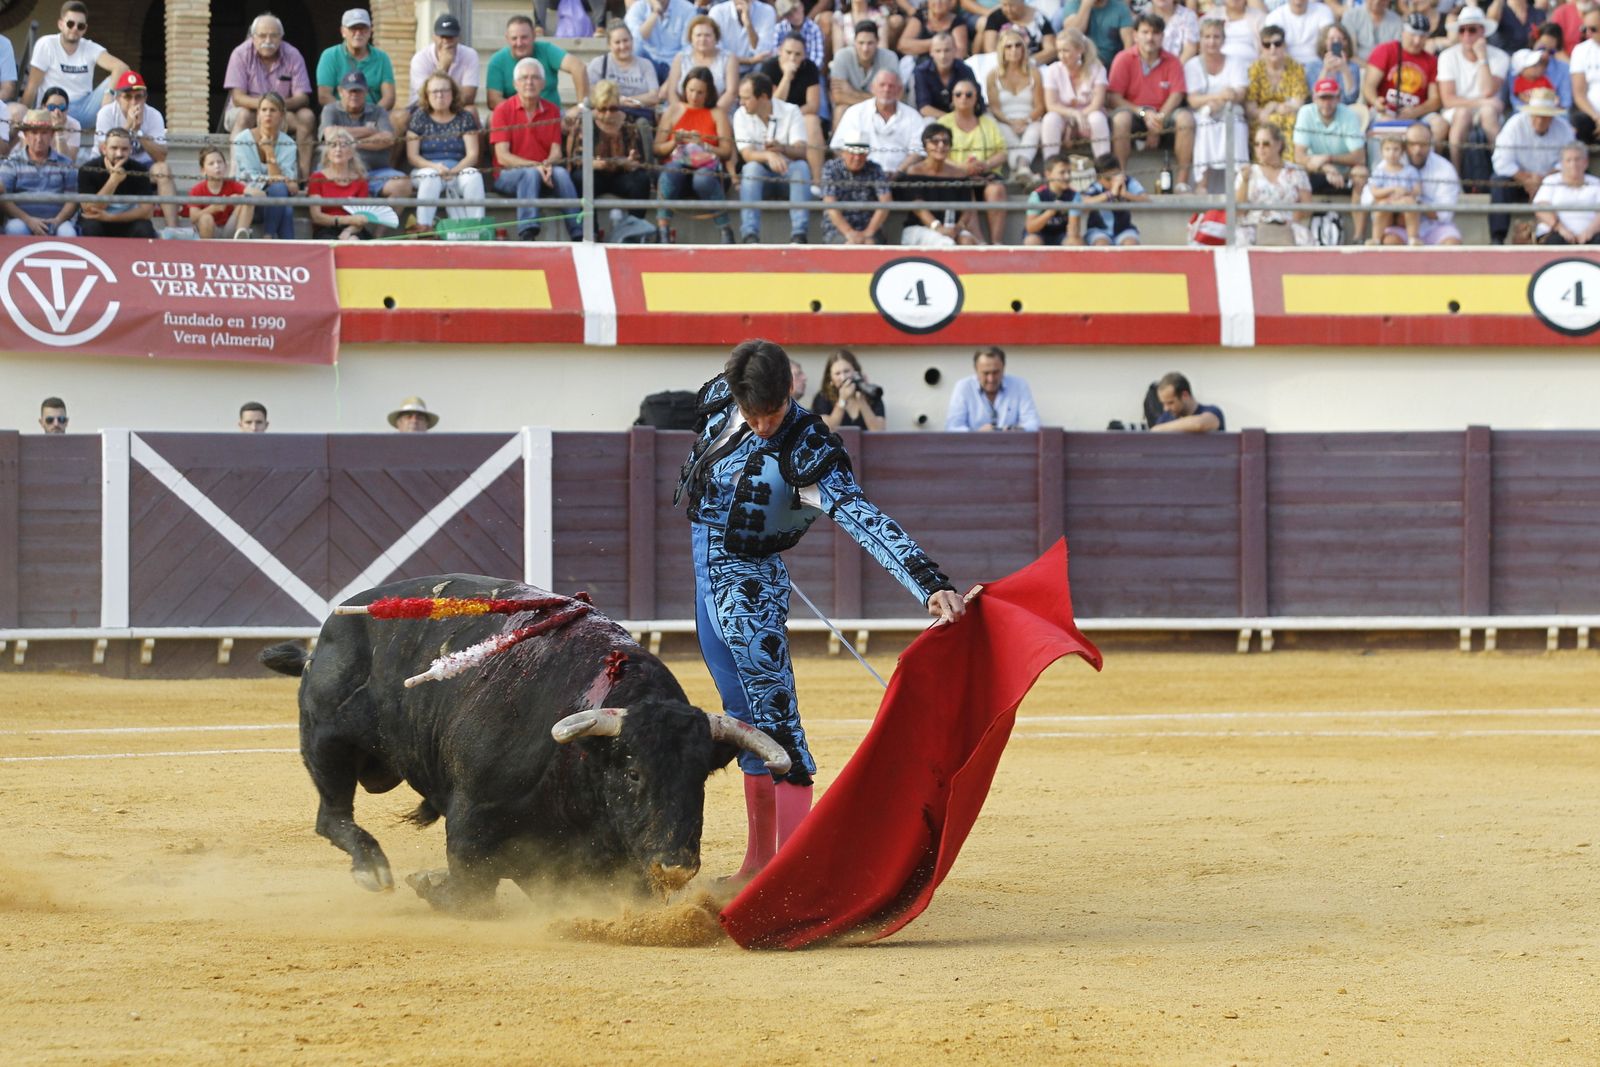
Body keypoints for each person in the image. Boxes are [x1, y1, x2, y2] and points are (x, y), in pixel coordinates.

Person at [678, 338, 964, 880]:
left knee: (778, 725)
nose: (764, 425)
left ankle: (796, 874)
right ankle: (759, 864)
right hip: (705, 579)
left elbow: (863, 518)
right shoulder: (721, 399)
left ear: (790, 391)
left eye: (773, 412)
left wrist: (928, 582)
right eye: (753, 414)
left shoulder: (806, 446)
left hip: (749, 589)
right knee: (742, 720)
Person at [490, 59, 583, 242]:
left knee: (561, 173)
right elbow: (502, 157)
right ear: (515, 84)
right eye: (524, 78)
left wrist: (546, 165)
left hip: (543, 172)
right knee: (530, 174)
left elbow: (556, 151)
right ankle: (527, 231)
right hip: (507, 175)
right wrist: (536, 166)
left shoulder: (552, 110)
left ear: (543, 83)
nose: (529, 82)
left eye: (535, 78)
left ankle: (579, 231)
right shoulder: (502, 110)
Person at [223, 14, 317, 178]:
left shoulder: (293, 54)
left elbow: (302, 97)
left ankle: (303, 177)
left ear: (281, 37)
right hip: (246, 110)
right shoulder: (240, 53)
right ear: (253, 37)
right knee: (245, 115)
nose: (268, 40)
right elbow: (238, 98)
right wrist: (266, 106)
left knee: (307, 116)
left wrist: (275, 108)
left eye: (273, 35)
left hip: (281, 111)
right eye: (262, 35)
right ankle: (235, 172)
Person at [1108, 13, 1195, 186]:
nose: (1150, 37)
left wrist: (1157, 121)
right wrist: (1143, 113)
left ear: (1162, 36)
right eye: (1145, 32)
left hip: (1164, 114)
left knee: (1186, 119)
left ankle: (1182, 182)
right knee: (1120, 119)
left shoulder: (1173, 61)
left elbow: (1177, 95)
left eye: (1155, 33)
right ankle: (1120, 180)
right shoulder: (1123, 58)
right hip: (1135, 112)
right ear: (1135, 35)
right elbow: (1113, 97)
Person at [655, 66, 736, 242]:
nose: (694, 96)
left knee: (702, 178)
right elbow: (657, 149)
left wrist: (703, 144)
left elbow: (726, 152)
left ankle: (726, 231)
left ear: (708, 93)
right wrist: (674, 142)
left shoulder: (717, 113)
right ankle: (663, 231)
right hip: (677, 169)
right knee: (672, 170)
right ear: (684, 88)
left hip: (708, 171)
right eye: (691, 90)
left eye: (700, 92)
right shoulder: (673, 110)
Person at [18, 2, 126, 131]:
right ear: (60, 24)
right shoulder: (46, 44)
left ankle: (116, 136)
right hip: (52, 110)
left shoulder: (90, 47)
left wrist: (109, 93)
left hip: (84, 112)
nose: (75, 28)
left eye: (80, 26)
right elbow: (32, 86)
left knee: (120, 80)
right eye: (70, 24)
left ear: (85, 29)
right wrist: (22, 120)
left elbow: (122, 67)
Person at [733, 72, 814, 243]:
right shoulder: (740, 114)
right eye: (741, 98)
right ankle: (749, 235)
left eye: (746, 98)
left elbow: (801, 151)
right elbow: (747, 154)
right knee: (751, 169)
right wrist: (769, 155)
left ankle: (799, 235)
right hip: (760, 178)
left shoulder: (791, 111)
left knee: (801, 167)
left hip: (787, 175)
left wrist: (782, 148)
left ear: (763, 97)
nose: (741, 103)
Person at [91, 70, 176, 229]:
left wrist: (138, 133)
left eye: (138, 97)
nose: (133, 102)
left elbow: (161, 157)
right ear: (117, 98)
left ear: (145, 97)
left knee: (163, 169)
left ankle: (173, 229)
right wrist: (128, 126)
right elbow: (106, 153)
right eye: (128, 97)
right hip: (109, 166)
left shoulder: (154, 115)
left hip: (142, 168)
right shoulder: (106, 113)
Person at [406, 72, 486, 238]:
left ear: (453, 93)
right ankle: (424, 228)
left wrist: (454, 171)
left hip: (458, 169)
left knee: (473, 175)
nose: (440, 95)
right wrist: (436, 167)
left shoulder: (464, 117)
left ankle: (476, 228)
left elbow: (472, 154)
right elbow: (412, 156)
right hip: (426, 169)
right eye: (434, 91)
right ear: (427, 95)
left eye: (444, 90)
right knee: (431, 176)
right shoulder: (419, 117)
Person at [1491, 88, 1573, 242]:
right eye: (1536, 115)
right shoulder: (1514, 125)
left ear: (1552, 117)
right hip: (1519, 181)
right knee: (1499, 181)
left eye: (1544, 117)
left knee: (1575, 176)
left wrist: (1544, 179)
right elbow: (1501, 160)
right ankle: (1497, 237)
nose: (1540, 121)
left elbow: (1569, 160)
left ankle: (1570, 230)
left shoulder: (1564, 129)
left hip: (1552, 181)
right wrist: (1526, 179)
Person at [317, 70, 413, 202]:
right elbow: (330, 135)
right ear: (340, 91)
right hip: (339, 172)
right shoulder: (330, 109)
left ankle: (384, 217)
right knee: (321, 183)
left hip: (376, 172)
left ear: (366, 91)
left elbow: (388, 139)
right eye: (350, 91)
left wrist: (353, 143)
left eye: (358, 91)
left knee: (403, 185)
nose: (354, 95)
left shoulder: (378, 111)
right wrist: (369, 131)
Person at [568, 79, 652, 226]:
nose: (608, 114)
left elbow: (638, 159)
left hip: (622, 174)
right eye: (602, 109)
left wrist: (631, 163)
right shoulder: (585, 121)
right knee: (580, 178)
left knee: (641, 180)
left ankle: (634, 228)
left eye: (613, 109)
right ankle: (591, 230)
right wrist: (592, 163)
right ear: (596, 107)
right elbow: (575, 158)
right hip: (595, 175)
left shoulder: (629, 121)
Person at [1438, 6, 1510, 172]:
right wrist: (1483, 102)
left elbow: (1487, 90)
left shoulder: (1500, 56)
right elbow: (1448, 100)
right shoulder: (1447, 56)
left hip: (1486, 110)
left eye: (1472, 30)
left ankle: (1501, 170)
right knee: (1464, 114)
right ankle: (1455, 174)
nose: (1466, 35)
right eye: (1462, 30)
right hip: (1459, 110)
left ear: (1482, 31)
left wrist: (1482, 58)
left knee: (1488, 113)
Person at [939, 79, 1012, 241]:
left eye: (968, 94)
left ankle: (997, 243)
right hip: (956, 176)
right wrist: (961, 168)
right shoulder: (943, 123)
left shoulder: (988, 123)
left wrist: (986, 164)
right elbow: (937, 156)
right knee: (966, 190)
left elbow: (1002, 152)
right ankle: (980, 243)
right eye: (958, 94)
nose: (963, 98)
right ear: (952, 98)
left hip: (986, 174)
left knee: (996, 190)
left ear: (976, 97)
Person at [1294, 76, 1369, 233]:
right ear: (1315, 98)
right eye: (1323, 98)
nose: (1326, 103)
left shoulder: (1348, 115)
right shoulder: (1305, 112)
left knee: (1361, 173)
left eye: (1331, 98)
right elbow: (1299, 157)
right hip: (1316, 170)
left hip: (1344, 173)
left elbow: (1360, 157)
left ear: (1339, 98)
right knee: (1297, 172)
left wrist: (1328, 158)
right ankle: (1299, 230)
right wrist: (1326, 167)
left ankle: (1359, 236)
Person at [1185, 17, 1249, 188]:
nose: (1212, 41)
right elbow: (1193, 100)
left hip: (1229, 110)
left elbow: (1240, 92)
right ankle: (1202, 185)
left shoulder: (1235, 62)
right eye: (1207, 37)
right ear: (1201, 39)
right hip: (1203, 113)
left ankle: (1239, 185)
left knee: (1236, 123)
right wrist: (1218, 97)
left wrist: (1224, 99)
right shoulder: (1192, 65)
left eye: (1216, 37)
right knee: (1204, 124)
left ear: (1223, 39)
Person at [899, 122, 985, 243]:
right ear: (925, 145)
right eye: (935, 141)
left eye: (946, 142)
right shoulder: (914, 171)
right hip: (919, 228)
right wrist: (938, 227)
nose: (941, 145)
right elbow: (918, 207)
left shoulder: (959, 174)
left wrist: (958, 227)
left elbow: (967, 209)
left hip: (952, 228)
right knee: (945, 242)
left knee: (967, 241)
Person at [230, 90, 299, 240]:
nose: (268, 114)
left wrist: (270, 153)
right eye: (264, 110)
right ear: (258, 114)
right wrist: (279, 179)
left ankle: (268, 236)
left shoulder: (288, 144)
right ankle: (274, 240)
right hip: (250, 202)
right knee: (283, 200)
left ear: (281, 115)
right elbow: (247, 178)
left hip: (276, 201)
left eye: (273, 110)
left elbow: (289, 183)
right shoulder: (242, 140)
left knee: (282, 198)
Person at [486, 15, 589, 112]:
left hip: (552, 116)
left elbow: (578, 67)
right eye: (514, 38)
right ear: (507, 38)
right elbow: (493, 100)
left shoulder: (546, 50)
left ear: (534, 36)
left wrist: (581, 106)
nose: (519, 43)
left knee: (580, 119)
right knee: (492, 119)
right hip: (514, 117)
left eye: (524, 37)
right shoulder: (498, 60)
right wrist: (525, 114)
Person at [1362, 12, 1445, 134]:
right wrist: (1376, 101)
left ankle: (1426, 146)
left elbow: (1435, 99)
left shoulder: (1432, 61)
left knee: (1440, 124)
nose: (1417, 41)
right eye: (1413, 34)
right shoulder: (1385, 50)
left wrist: (1416, 112)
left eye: (1422, 36)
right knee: (1387, 122)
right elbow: (1369, 86)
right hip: (1385, 110)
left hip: (1417, 113)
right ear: (1403, 32)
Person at [829, 69, 925, 174]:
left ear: (900, 90)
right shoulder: (855, 112)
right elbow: (839, 147)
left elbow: (918, 152)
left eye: (891, 86)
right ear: (872, 88)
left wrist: (898, 172)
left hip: (901, 176)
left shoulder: (913, 116)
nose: (886, 89)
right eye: (882, 85)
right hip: (861, 175)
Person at [1, 110, 78, 236]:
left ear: (52, 134)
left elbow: (73, 199)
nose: (39, 138)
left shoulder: (66, 163)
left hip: (58, 221)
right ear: (26, 135)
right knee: (15, 229)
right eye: (34, 132)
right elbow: (5, 199)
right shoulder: (11, 163)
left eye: (44, 133)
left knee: (68, 233)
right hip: (22, 221)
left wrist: (58, 220)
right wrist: (28, 220)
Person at [1384, 120, 1463, 244]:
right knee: (1390, 242)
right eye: (1412, 144)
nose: (1417, 150)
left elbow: (1444, 214)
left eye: (1423, 144)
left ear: (1431, 144)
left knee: (1452, 243)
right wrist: (1395, 209)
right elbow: (1368, 200)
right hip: (1401, 225)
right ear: (1405, 144)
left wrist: (1414, 205)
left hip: (1435, 226)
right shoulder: (1389, 164)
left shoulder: (1445, 168)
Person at [760, 34, 826, 181]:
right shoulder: (769, 67)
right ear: (780, 51)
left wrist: (792, 116)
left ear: (804, 56)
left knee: (812, 121)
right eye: (788, 52)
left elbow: (813, 105)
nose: (792, 58)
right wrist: (787, 77)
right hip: (773, 118)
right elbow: (772, 105)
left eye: (798, 54)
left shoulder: (809, 68)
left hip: (800, 117)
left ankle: (817, 182)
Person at [988, 27, 1048, 180]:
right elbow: (994, 108)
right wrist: (1011, 122)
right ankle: (1023, 168)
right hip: (1004, 120)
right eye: (1008, 46)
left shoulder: (1034, 73)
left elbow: (1040, 106)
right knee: (998, 127)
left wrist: (1025, 120)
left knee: (1037, 127)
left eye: (1017, 45)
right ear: (1002, 50)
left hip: (1029, 119)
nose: (1013, 50)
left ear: (1023, 49)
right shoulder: (992, 75)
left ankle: (1019, 167)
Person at [1238, 121, 1312, 244]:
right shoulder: (1248, 171)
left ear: (1278, 145)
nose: (1260, 148)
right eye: (1256, 144)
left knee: (1304, 238)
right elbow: (1239, 211)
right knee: (1240, 238)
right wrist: (1245, 181)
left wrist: (1294, 219)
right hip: (1254, 225)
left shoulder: (1296, 171)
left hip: (1288, 225)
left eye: (1266, 144)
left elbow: (1307, 208)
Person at [1042, 26, 1111, 159]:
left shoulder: (1097, 69)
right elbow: (1051, 105)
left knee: (1097, 118)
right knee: (1050, 119)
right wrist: (1074, 115)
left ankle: (1104, 163)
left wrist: (1079, 117)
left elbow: (1097, 104)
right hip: (1064, 115)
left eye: (1066, 51)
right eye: (1059, 51)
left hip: (1089, 114)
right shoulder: (1053, 70)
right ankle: (1050, 163)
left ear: (1080, 50)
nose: (1061, 56)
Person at [77, 127, 154, 238]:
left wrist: (111, 218)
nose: (119, 154)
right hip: (97, 221)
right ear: (104, 149)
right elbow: (89, 209)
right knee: (91, 227)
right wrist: (113, 181)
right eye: (114, 148)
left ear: (130, 150)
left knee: (144, 228)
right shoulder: (88, 169)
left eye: (124, 149)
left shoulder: (139, 170)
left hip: (126, 221)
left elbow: (147, 212)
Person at [1247, 24, 1309, 161]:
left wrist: (1273, 106)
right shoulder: (1255, 69)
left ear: (1284, 45)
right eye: (1267, 45)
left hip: (1287, 116)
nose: (1272, 49)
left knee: (1291, 122)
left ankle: (1290, 168)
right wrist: (1268, 111)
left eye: (1277, 44)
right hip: (1261, 118)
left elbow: (1298, 103)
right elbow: (1250, 108)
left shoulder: (1295, 68)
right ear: (1261, 48)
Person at [405, 13, 480, 127]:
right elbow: (425, 97)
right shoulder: (420, 58)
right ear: (434, 37)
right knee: (400, 117)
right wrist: (443, 67)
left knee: (471, 111)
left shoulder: (470, 55)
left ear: (458, 38)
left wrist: (444, 101)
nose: (446, 41)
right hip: (422, 108)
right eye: (442, 36)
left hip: (457, 108)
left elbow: (469, 96)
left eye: (451, 37)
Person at [316, 9, 396, 112]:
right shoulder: (330, 56)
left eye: (363, 28)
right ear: (343, 32)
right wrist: (347, 115)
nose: (358, 33)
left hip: (374, 113)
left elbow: (389, 97)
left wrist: (372, 115)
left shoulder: (382, 57)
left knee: (400, 117)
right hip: (339, 113)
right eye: (353, 28)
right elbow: (324, 95)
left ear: (370, 31)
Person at [945, 346, 1040, 431]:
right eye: (986, 373)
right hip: (974, 445)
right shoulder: (963, 387)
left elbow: (1033, 424)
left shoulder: (1019, 385)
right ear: (976, 370)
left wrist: (1017, 430)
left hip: (1012, 443)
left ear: (1003, 368)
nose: (991, 379)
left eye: (995, 372)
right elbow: (953, 427)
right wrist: (977, 435)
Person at [308, 127, 376, 241]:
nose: (338, 149)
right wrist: (347, 220)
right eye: (333, 145)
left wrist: (348, 231)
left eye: (343, 145)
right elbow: (316, 216)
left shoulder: (360, 181)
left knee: (354, 240)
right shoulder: (317, 178)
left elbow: (362, 218)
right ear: (327, 153)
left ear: (351, 153)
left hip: (353, 229)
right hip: (326, 229)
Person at [589, 22, 663, 124]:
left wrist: (627, 101)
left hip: (639, 114)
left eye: (625, 40)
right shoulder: (599, 64)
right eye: (617, 42)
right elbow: (591, 94)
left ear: (632, 40)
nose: (623, 46)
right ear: (609, 45)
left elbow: (654, 97)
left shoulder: (646, 64)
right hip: (608, 113)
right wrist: (617, 102)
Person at [821, 138, 893, 242]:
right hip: (837, 230)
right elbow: (829, 203)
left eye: (861, 153)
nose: (857, 158)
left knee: (870, 244)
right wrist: (848, 232)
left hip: (870, 228)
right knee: (849, 246)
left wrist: (869, 232)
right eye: (852, 153)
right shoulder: (831, 168)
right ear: (843, 153)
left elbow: (885, 201)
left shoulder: (875, 169)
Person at [666, 14, 742, 110]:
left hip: (719, 112)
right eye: (698, 35)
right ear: (691, 38)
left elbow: (731, 93)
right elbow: (672, 92)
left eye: (707, 35)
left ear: (716, 38)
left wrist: (709, 115)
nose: (702, 39)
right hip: (684, 111)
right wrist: (680, 112)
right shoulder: (681, 58)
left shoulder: (729, 58)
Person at [1074, 149, 1147, 244]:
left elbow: (1146, 200)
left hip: (1124, 230)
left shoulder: (1128, 182)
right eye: (1108, 178)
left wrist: (1126, 195)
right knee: (1101, 244)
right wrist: (1110, 194)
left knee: (1130, 243)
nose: (1113, 181)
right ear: (1098, 178)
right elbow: (1083, 202)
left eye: (1116, 176)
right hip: (1098, 230)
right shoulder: (1094, 187)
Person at [184, 146, 257, 239]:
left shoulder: (232, 184)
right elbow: (193, 217)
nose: (217, 166)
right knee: (206, 218)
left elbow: (260, 195)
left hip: (231, 228)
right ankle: (207, 247)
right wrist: (213, 208)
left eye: (219, 162)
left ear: (225, 166)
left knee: (247, 200)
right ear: (203, 171)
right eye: (211, 163)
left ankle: (241, 237)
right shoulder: (197, 190)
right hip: (211, 229)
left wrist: (239, 197)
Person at [1533, 140, 1600, 242]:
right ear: (1562, 164)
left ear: (1585, 162)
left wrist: (1589, 232)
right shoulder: (1551, 181)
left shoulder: (1596, 183)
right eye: (1568, 160)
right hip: (1556, 232)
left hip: (1592, 235)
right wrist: (1561, 229)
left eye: (1577, 159)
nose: (1573, 164)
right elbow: (1541, 208)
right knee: (1555, 241)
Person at [1362, 130, 1422, 244]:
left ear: (1402, 151)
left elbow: (1417, 190)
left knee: (1410, 203)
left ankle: (1413, 238)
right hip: (1387, 203)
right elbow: (1375, 192)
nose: (1392, 153)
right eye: (1387, 149)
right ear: (1381, 152)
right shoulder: (1379, 172)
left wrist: (1405, 192)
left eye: (1396, 149)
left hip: (1403, 204)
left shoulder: (1410, 171)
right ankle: (1376, 239)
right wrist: (1392, 189)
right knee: (1382, 205)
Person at [832, 21, 901, 108]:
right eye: (861, 43)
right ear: (854, 42)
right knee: (841, 109)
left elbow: (896, 96)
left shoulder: (889, 57)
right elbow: (838, 97)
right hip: (853, 108)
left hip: (882, 110)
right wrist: (880, 98)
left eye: (870, 43)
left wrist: (852, 92)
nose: (865, 49)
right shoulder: (842, 56)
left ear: (878, 41)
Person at [813, 349, 887, 430]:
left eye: (846, 371)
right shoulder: (823, 397)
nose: (843, 377)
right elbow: (827, 430)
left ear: (856, 371)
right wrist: (842, 400)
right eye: (837, 373)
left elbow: (878, 431)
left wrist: (862, 400)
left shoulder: (873, 395)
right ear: (830, 378)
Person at [626, 0, 700, 80]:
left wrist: (675, 72)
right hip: (647, 61)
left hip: (673, 63)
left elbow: (688, 46)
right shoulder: (638, 7)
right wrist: (655, 13)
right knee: (636, 48)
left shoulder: (687, 9)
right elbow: (634, 39)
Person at [1056, 0, 1137, 70]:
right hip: (1081, 62)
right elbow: (1072, 36)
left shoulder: (1120, 7)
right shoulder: (1074, 4)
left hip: (1110, 65)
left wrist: (1122, 66)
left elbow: (1128, 44)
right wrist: (1086, 5)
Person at [915, 32, 977, 117]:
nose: (943, 56)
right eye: (938, 51)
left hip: (963, 116)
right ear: (931, 52)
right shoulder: (922, 72)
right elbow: (924, 108)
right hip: (933, 118)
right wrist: (951, 120)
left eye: (947, 50)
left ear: (955, 50)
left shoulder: (965, 70)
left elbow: (976, 99)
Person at [1024, 152, 1083, 243]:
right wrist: (1051, 212)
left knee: (1075, 242)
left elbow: (1073, 233)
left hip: (1062, 235)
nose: (1067, 176)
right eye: (1062, 172)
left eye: (1069, 172)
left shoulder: (1074, 195)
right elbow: (1031, 228)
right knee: (1031, 240)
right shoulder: (1037, 195)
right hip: (1039, 234)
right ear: (1048, 174)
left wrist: (1071, 211)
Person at [711, 0, 781, 72]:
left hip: (754, 70)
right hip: (725, 70)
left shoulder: (767, 11)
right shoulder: (717, 12)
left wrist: (748, 24)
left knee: (763, 66)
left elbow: (763, 54)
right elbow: (716, 54)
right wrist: (750, 61)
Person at [1305, 22, 1364, 104]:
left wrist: (1345, 70)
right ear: (1324, 41)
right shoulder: (1313, 66)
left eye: (1340, 39)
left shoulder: (1353, 67)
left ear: (1345, 42)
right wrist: (1325, 70)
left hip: (1344, 107)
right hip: (1321, 107)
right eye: (1332, 39)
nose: (1336, 42)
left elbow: (1351, 98)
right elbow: (1314, 95)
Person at [1264, 0, 1336, 67]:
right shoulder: (1274, 17)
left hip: (1319, 64)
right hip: (1286, 66)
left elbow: (1330, 40)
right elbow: (1269, 49)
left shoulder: (1323, 11)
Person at [1565, 5, 1600, 142]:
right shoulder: (1581, 50)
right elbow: (1579, 94)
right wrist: (1596, 117)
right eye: (1585, 29)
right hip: (1591, 115)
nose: (1588, 33)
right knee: (1578, 121)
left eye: (1593, 29)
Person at [981, 0, 1058, 62]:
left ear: (1022, 2)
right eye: (1004, 5)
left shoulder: (1039, 18)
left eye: (1012, 5)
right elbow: (990, 49)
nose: (1008, 9)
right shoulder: (995, 17)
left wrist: (1028, 62)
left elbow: (1051, 49)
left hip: (1033, 64)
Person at [1150, 372, 1224, 433]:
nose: (1166, 408)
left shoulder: (1212, 411)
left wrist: (1158, 429)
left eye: (1170, 403)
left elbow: (1199, 424)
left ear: (1185, 395)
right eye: (1163, 403)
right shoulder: (1165, 419)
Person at [900, 0, 971, 63]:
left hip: (948, 66)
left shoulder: (958, 21)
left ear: (950, 2)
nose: (938, 2)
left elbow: (960, 52)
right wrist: (937, 43)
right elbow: (903, 45)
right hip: (920, 65)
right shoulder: (920, 16)